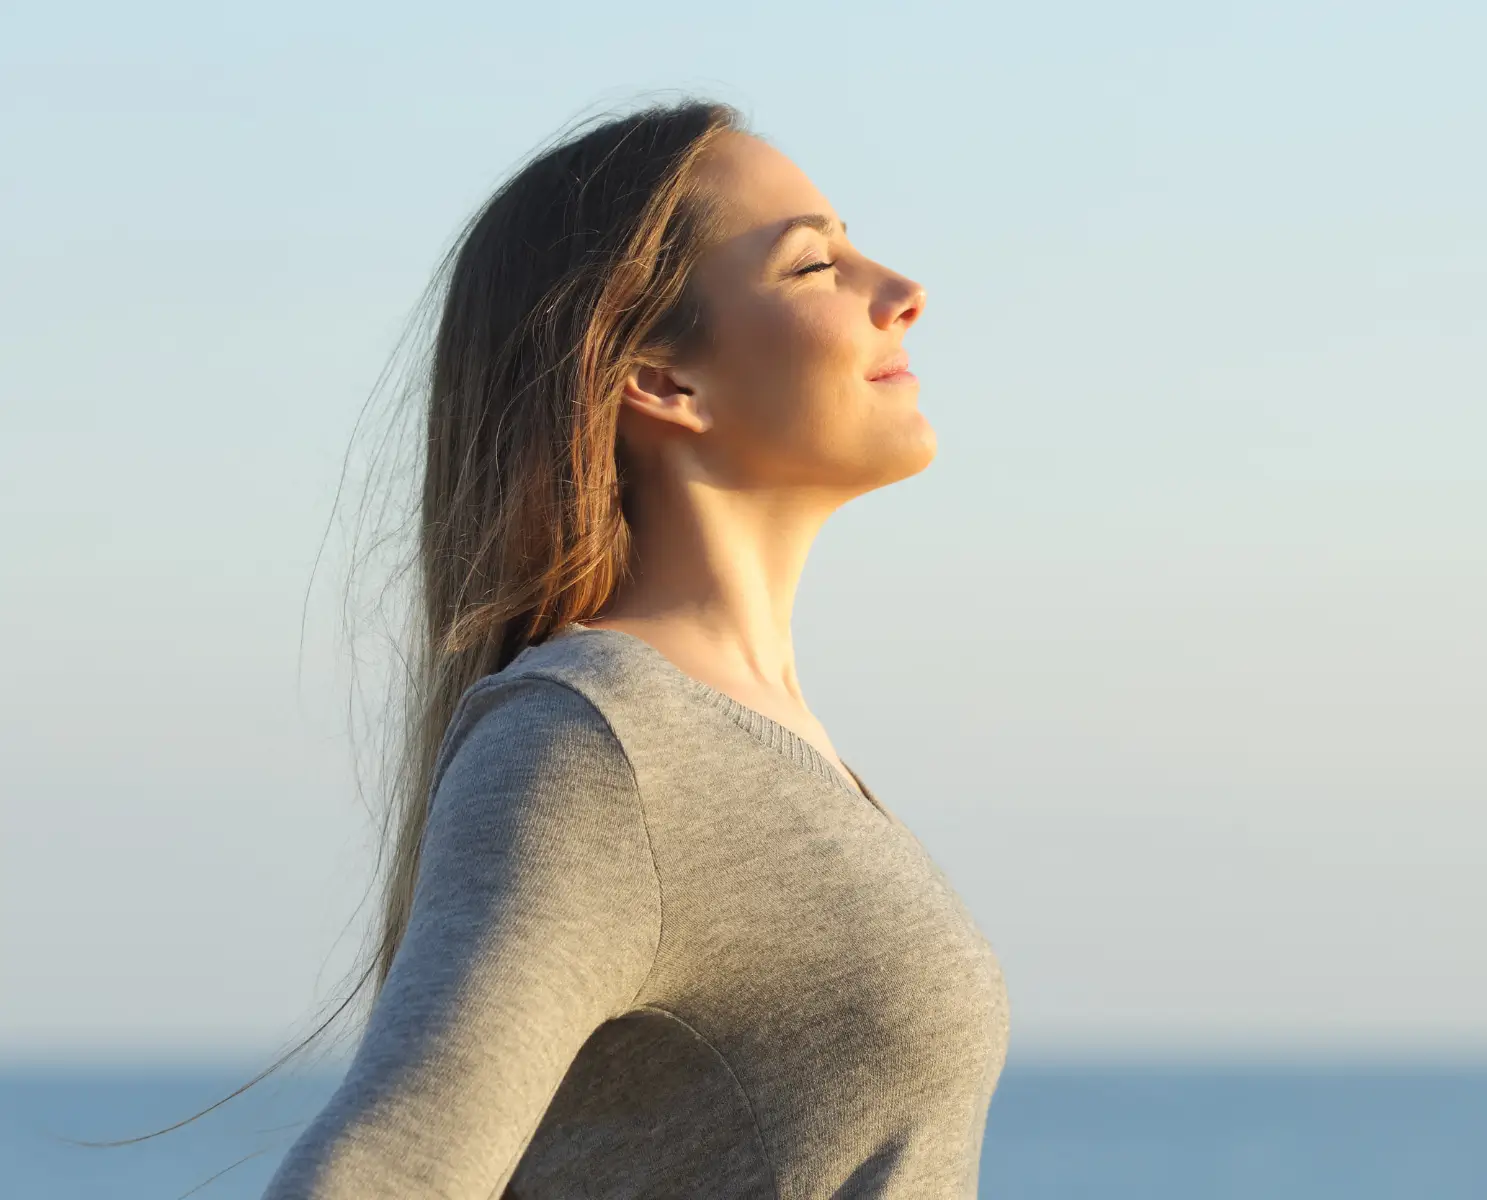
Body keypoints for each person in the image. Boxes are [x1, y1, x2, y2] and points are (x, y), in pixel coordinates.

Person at [259, 98, 1011, 1198]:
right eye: (813, 267)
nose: (901, 294)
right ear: (659, 379)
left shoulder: (742, 737)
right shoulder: (594, 744)